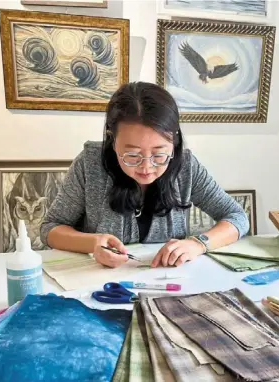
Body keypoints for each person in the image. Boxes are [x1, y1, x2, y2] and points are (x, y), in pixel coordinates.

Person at [40, 82, 249, 268]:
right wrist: (92, 243)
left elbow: (237, 217)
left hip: (169, 284)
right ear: (112, 141)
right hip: (98, 282)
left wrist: (198, 244)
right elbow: (50, 228)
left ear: (174, 142)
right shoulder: (90, 163)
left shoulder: (186, 166)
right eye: (132, 155)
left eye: (159, 155)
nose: (146, 167)